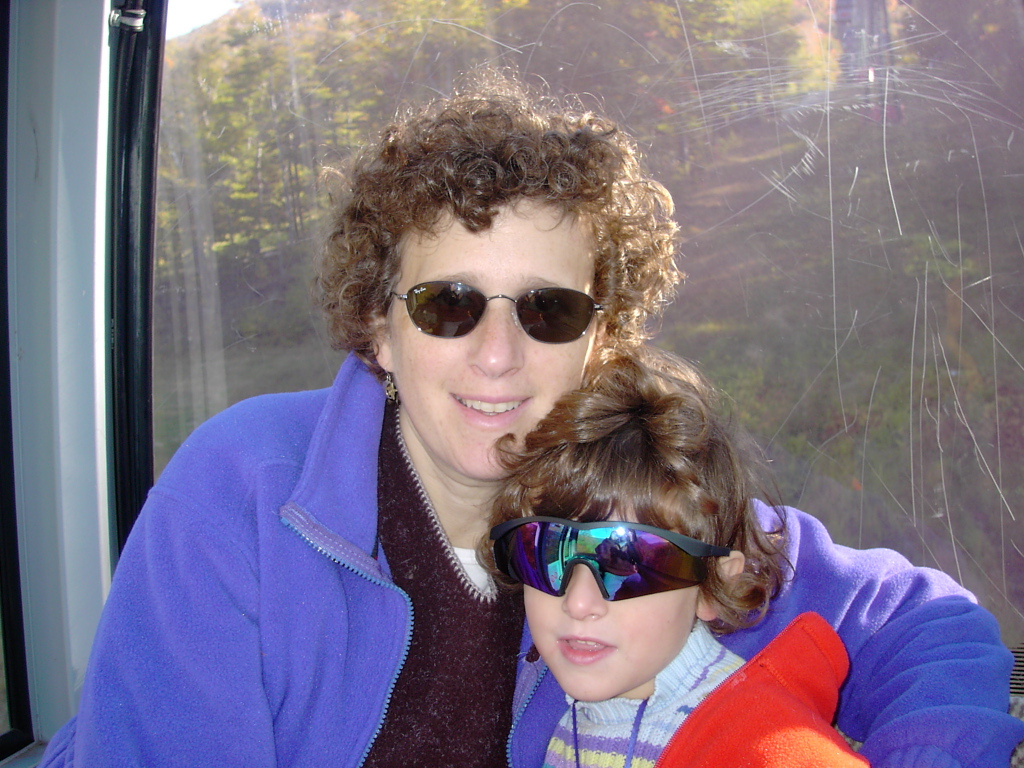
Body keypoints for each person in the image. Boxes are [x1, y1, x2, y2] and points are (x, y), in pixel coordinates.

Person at [39, 70, 1021, 767]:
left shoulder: (638, 516)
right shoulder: (243, 494)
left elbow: (925, 623)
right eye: (448, 305)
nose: (497, 354)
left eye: (548, 310)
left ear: (603, 339)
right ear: (379, 328)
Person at [486, 350, 868, 767]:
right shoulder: (571, 721)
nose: (578, 603)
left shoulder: (760, 743)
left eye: (626, 562)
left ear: (711, 586)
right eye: (546, 551)